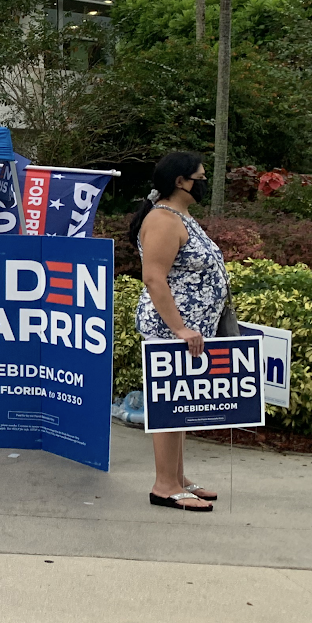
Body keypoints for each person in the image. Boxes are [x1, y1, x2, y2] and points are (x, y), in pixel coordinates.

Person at [130, 151, 227, 513]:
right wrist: (179, 328)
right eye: (200, 177)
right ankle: (164, 485)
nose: (204, 181)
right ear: (180, 182)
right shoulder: (162, 221)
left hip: (191, 330)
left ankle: (178, 476)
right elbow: (154, 277)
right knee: (169, 406)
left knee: (180, 404)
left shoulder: (180, 216)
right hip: (171, 329)